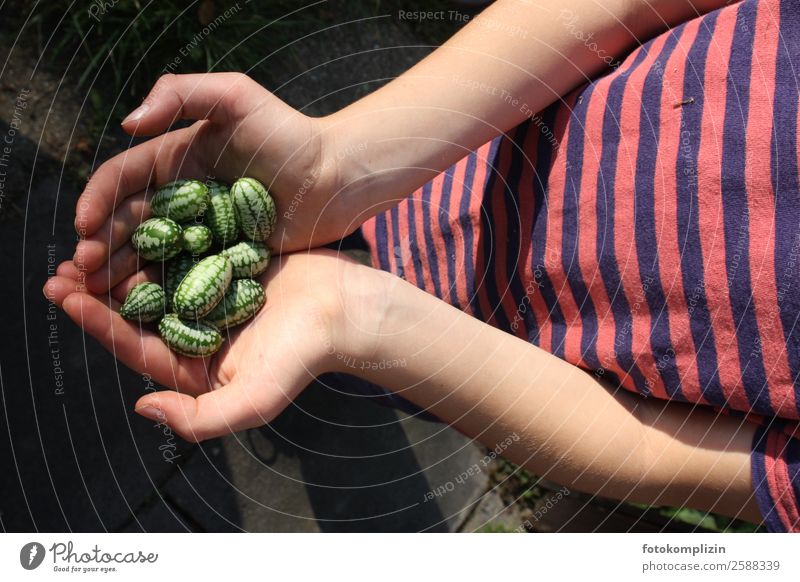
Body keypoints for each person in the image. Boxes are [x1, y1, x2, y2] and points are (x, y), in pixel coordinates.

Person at [44, 0, 800, 531]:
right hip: (470, 149)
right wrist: (344, 163)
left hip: (492, 350)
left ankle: (348, 325)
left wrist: (361, 321)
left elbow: (647, 451)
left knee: (350, 342)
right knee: (366, 246)